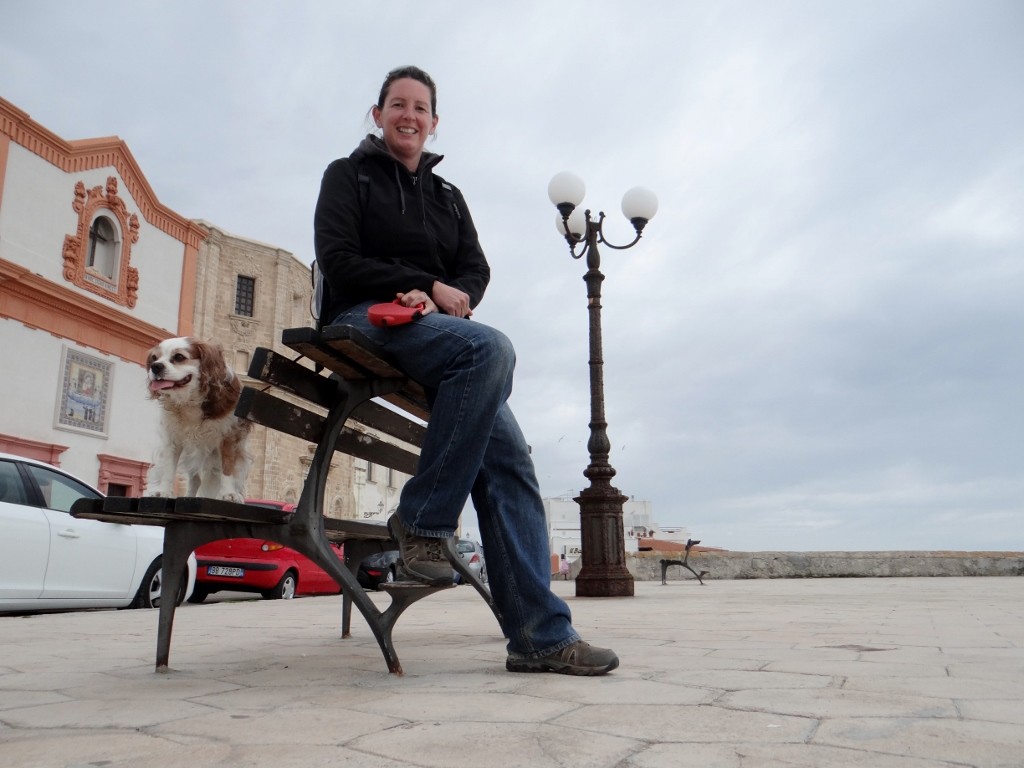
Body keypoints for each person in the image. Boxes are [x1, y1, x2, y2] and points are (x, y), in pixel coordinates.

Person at [313, 66, 618, 676]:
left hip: (426, 328)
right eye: (397, 104)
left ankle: (540, 636)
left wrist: (446, 296)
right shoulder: (348, 175)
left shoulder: (448, 197)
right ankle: (423, 522)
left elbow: (475, 268)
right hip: (363, 317)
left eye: (421, 107)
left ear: (434, 121)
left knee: (512, 461)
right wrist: (418, 285)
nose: (409, 115)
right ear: (377, 115)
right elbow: (337, 258)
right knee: (491, 350)